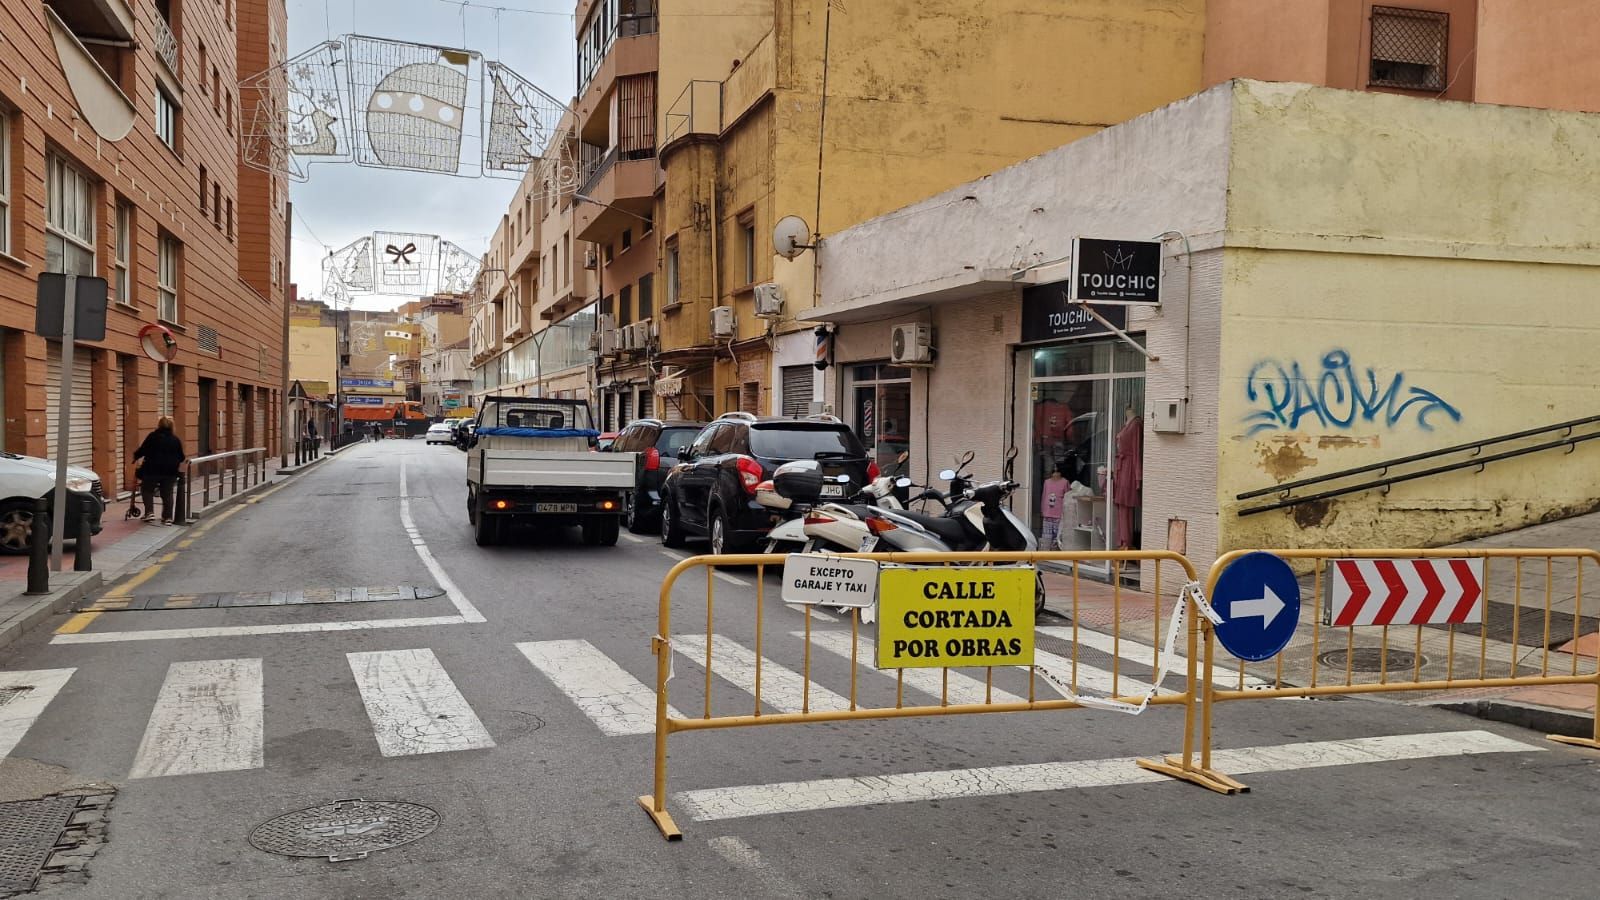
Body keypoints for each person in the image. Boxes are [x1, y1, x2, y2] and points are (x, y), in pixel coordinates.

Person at [132, 416, 186, 526]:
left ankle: (149, 512)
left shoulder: (153, 437)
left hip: (152, 469)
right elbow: (181, 457)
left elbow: (143, 450)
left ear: (159, 425)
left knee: (147, 489)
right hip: (170, 471)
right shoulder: (175, 440)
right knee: (167, 493)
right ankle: (168, 518)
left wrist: (135, 456)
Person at [1039, 464, 1070, 550]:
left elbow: (1068, 498)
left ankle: (1056, 556)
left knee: (1058, 538)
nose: (1055, 473)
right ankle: (1045, 555)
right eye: (1054, 471)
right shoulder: (1047, 482)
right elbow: (1044, 496)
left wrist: (1066, 513)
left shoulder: (1065, 482)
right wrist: (1042, 510)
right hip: (1047, 514)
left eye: (1057, 471)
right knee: (1046, 538)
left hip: (1059, 514)